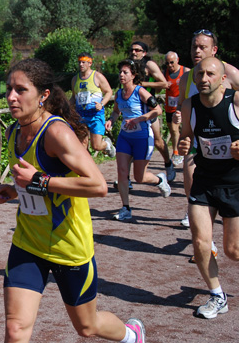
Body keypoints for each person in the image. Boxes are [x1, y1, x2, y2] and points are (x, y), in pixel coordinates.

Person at [0, 58, 145, 343]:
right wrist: (15, 190)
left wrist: (38, 180)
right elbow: (34, 179)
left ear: (43, 95)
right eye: (9, 89)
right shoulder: (15, 131)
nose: (12, 96)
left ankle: (131, 335)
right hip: (28, 242)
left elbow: (98, 186)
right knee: (15, 329)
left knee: (87, 327)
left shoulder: (56, 132)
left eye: (21, 90)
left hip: (69, 247)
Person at [177, 56, 239, 319]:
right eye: (200, 74)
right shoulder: (190, 105)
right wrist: (183, 144)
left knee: (233, 251)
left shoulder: (235, 101)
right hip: (204, 179)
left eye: (210, 74)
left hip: (234, 182)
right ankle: (217, 295)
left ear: (222, 78)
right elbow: (186, 137)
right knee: (201, 241)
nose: (203, 79)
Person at [175, 29, 239, 230]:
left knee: (233, 248)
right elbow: (181, 105)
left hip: (230, 150)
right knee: (190, 179)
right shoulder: (186, 78)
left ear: (214, 49)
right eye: (194, 46)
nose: (197, 51)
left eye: (202, 47)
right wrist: (179, 115)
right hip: (199, 143)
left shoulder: (231, 73)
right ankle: (204, 236)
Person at [106, 59, 171, 221]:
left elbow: (158, 110)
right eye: (120, 72)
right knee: (122, 172)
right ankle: (125, 208)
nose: (121, 75)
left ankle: (159, 179)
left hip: (142, 137)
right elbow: (116, 112)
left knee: (139, 177)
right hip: (125, 138)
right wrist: (111, 120)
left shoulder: (140, 92)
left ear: (133, 75)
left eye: (125, 72)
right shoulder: (119, 94)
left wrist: (139, 119)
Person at [130, 41, 176, 183]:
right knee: (130, 142)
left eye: (137, 50)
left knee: (158, 141)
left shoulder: (149, 65)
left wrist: (144, 85)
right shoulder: (128, 65)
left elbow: (164, 84)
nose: (134, 52)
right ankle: (126, 178)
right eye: (132, 50)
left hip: (149, 109)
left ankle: (168, 164)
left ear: (144, 52)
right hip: (134, 110)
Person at [70, 52, 116, 157]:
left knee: (96, 146)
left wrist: (102, 104)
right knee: (82, 147)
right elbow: (74, 97)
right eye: (79, 62)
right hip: (81, 115)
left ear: (90, 63)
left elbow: (109, 91)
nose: (81, 65)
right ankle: (86, 169)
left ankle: (107, 145)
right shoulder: (74, 79)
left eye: (83, 62)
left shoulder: (97, 76)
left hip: (95, 115)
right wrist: (66, 107)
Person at [163, 51, 189, 166]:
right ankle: (179, 150)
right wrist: (163, 85)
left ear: (177, 60)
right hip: (169, 106)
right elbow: (159, 89)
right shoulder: (165, 73)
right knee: (173, 131)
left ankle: (176, 152)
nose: (170, 65)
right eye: (167, 63)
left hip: (181, 106)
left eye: (172, 62)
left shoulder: (185, 71)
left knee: (175, 129)